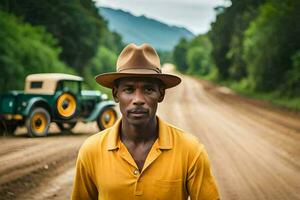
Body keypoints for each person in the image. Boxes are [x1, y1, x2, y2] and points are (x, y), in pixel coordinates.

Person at [71, 43, 220, 200]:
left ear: (161, 94)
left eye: (148, 89)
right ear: (116, 94)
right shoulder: (91, 151)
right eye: (129, 89)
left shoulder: (190, 150)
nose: (138, 100)